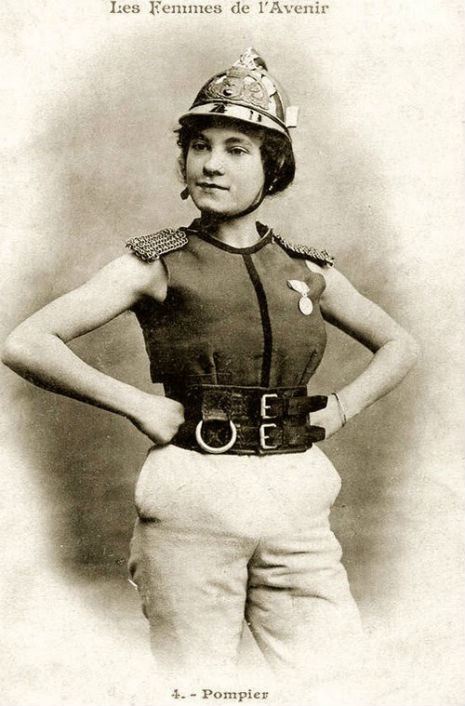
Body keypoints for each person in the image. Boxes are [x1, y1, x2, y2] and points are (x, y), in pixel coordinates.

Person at [2, 48, 418, 698]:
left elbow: (399, 344)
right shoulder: (158, 262)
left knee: (337, 680)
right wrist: (137, 403)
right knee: (196, 685)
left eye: (235, 149)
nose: (211, 164)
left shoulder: (306, 268)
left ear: (272, 167)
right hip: (193, 494)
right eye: (199, 146)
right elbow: (27, 342)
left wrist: (343, 407)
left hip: (298, 498)